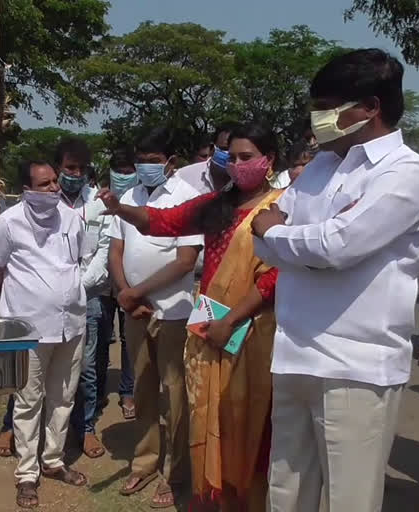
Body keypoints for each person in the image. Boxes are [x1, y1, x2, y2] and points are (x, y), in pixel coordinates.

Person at [251, 49, 419, 512]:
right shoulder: (321, 167)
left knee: (350, 500)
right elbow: (266, 236)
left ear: (370, 107)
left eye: (328, 104)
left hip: (356, 364)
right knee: (285, 494)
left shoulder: (407, 172)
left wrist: (287, 234)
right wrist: (297, 237)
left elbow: (336, 247)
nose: (318, 117)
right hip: (294, 354)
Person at [99, 123, 283, 511]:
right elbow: (163, 222)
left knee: (244, 417)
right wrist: (120, 209)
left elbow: (273, 278)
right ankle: (210, 491)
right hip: (208, 325)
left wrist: (231, 321)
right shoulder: (217, 205)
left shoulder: (283, 206)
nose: (236, 164)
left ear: (270, 161)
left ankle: (243, 498)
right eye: (230, 157)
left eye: (246, 157)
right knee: (206, 411)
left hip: (249, 329)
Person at [107, 127, 204, 509]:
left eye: (152, 161)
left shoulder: (188, 199)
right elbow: (116, 252)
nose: (145, 167)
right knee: (143, 387)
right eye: (140, 161)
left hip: (174, 310)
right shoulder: (127, 198)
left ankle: (175, 471)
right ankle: (145, 461)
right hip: (134, 309)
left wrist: (137, 291)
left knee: (174, 392)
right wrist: (125, 294)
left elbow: (185, 262)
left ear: (170, 163)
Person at [0, 160, 88, 509]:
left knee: (63, 396)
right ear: (27, 189)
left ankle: (53, 460)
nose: (54, 188)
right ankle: (27, 473)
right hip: (29, 328)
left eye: (55, 181)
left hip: (71, 323)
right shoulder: (8, 223)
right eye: (45, 184)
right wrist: (21, 301)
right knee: (29, 400)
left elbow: (79, 261)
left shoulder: (71, 218)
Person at [52, 137, 115, 458]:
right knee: (40, 362)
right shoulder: (46, 201)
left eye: (81, 168)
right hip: (48, 297)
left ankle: (86, 428)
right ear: (58, 168)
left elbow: (104, 251)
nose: (75, 173)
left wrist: (78, 285)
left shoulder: (99, 203)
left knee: (87, 366)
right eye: (69, 167)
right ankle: (16, 425)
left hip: (87, 294)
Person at [105, 146, 138, 420]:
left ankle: (129, 392)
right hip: (102, 286)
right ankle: (99, 391)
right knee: (101, 339)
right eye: (120, 172)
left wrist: (127, 288)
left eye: (130, 173)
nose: (125, 177)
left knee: (129, 341)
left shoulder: (138, 201)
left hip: (132, 284)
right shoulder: (98, 199)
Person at [176, 123, 237, 194]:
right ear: (212, 149)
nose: (229, 155)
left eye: (242, 155)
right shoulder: (184, 176)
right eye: (224, 149)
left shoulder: (245, 183)